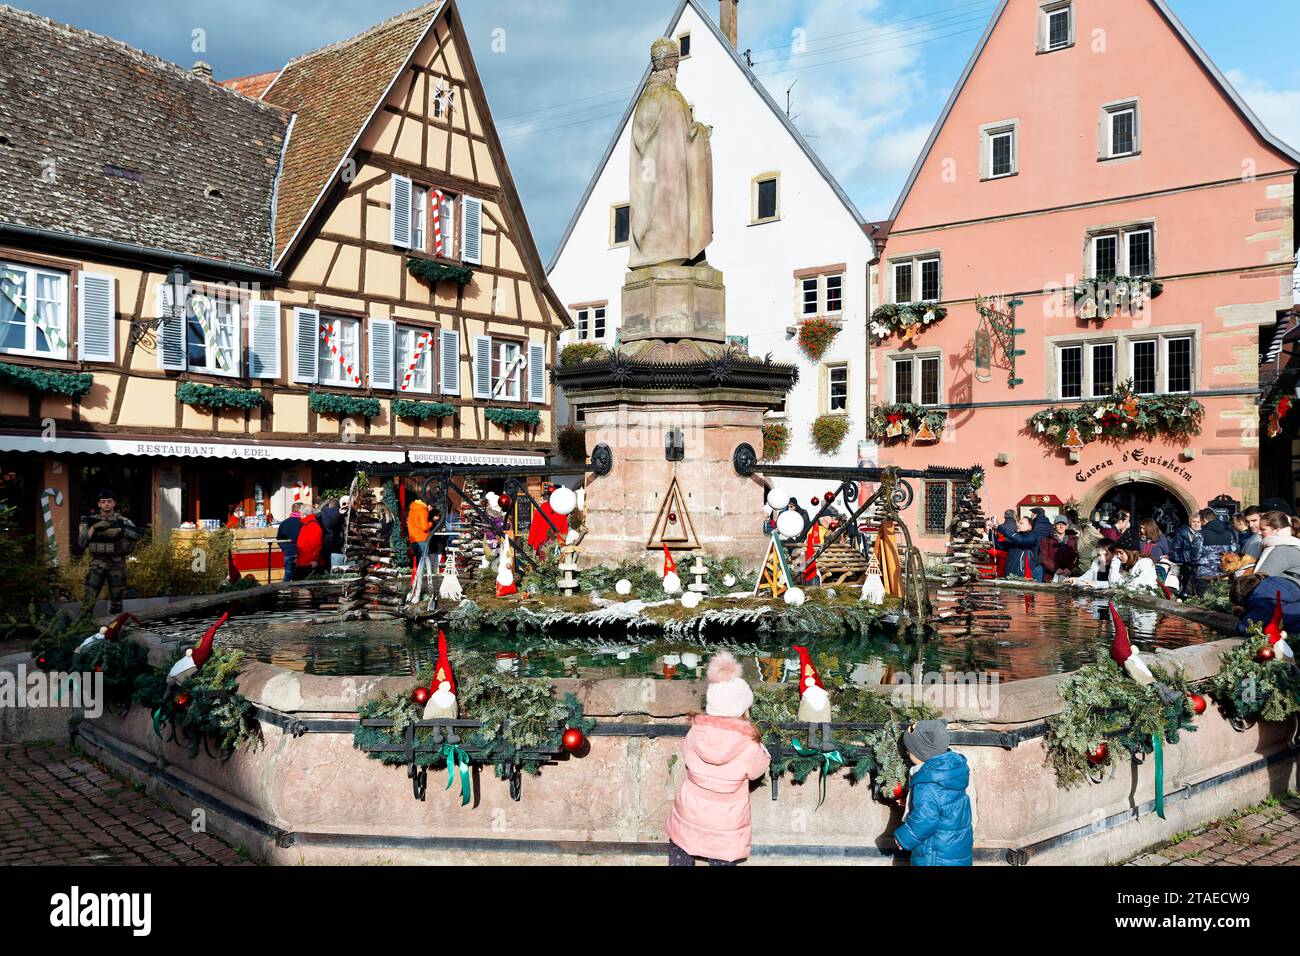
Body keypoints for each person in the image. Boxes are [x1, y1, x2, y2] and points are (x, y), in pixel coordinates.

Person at [665, 652, 770, 866]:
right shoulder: (749, 744)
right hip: (726, 818)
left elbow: (687, 754)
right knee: (722, 854)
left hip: (691, 809)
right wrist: (765, 752)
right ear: (743, 709)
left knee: (682, 843)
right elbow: (757, 770)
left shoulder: (696, 732)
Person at [892, 721, 974, 867]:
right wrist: (911, 802)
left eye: (910, 750)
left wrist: (904, 838)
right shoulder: (949, 770)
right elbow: (940, 803)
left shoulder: (928, 782)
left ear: (921, 753)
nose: (908, 753)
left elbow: (925, 819)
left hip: (935, 853)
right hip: (954, 847)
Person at [77, 489, 141, 613]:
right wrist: (93, 528)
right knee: (89, 598)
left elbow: (137, 535)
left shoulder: (123, 521)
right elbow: (81, 543)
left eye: (109, 501)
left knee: (117, 600)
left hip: (117, 563)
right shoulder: (90, 521)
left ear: (114, 504)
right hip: (97, 562)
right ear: (99, 504)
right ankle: (84, 626)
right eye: (103, 502)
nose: (106, 504)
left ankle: (115, 628)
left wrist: (120, 531)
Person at [1231, 573, 1300, 635]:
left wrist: (1242, 614)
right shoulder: (1277, 580)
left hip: (1294, 636)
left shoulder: (1262, 603)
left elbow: (1243, 629)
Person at [1194, 508, 1237, 592]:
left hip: (1205, 575)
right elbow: (1233, 552)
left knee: (1204, 602)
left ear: (1204, 520)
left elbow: (1196, 555)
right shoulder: (1229, 534)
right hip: (1225, 574)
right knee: (1223, 601)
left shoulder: (1200, 534)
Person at [1254, 510, 1300, 580]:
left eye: (1263, 529)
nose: (1259, 533)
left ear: (1277, 530)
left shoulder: (1280, 549)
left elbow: (1260, 579)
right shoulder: (1292, 543)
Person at [1168, 511, 1204, 594]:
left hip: (1200, 566)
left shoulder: (1204, 533)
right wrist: (1185, 559)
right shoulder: (1182, 533)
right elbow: (1175, 550)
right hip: (1186, 565)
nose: (1196, 524)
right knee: (1187, 589)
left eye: (1198, 522)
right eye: (1193, 522)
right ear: (1189, 522)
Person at [1005, 516, 1047, 581]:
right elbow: (1001, 546)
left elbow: (1022, 541)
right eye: (1018, 523)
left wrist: (1001, 529)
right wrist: (992, 532)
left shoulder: (1032, 537)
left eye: (1021, 523)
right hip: (1011, 574)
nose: (1018, 525)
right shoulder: (1017, 537)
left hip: (1024, 576)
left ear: (1029, 527)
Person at [1041, 516, 1080, 582]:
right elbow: (1044, 557)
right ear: (1054, 525)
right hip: (1051, 574)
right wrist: (1055, 569)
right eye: (1058, 524)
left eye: (1063, 524)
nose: (1061, 526)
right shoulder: (1046, 539)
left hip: (1070, 574)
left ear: (1067, 526)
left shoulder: (1074, 539)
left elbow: (1078, 556)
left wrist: (1070, 569)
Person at [276, 502, 304, 582]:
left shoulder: (284, 523)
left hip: (288, 551)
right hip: (301, 552)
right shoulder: (303, 522)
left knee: (288, 575)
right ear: (300, 510)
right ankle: (296, 594)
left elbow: (279, 539)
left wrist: (285, 548)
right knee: (300, 577)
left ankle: (283, 592)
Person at [294, 507, 324, 580]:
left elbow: (316, 544)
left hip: (309, 562)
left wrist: (315, 559)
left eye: (300, 514)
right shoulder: (307, 524)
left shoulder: (312, 525)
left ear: (304, 515)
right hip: (303, 560)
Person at [406, 495, 432, 566]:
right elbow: (424, 527)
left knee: (418, 559)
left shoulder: (413, 508)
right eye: (431, 506)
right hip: (422, 538)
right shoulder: (423, 510)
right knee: (424, 560)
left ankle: (418, 575)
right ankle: (423, 575)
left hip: (413, 537)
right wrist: (431, 523)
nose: (431, 508)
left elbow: (416, 522)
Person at [318, 497, 344, 566]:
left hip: (326, 545)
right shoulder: (344, 513)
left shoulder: (321, 515)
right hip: (341, 546)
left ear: (329, 505)